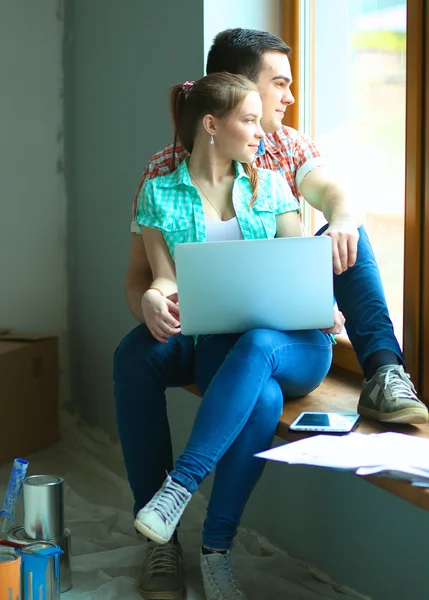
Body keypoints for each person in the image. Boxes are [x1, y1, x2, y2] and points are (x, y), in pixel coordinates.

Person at [114, 27, 428, 599]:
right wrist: (154, 300)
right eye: (276, 85)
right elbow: (149, 275)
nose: (283, 101)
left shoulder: (278, 170)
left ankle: (381, 369)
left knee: (273, 327)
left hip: (285, 340)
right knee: (154, 360)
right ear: (229, 97)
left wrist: (322, 275)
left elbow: (323, 213)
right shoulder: (164, 176)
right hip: (213, 338)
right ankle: (191, 546)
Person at [133, 72, 335, 600]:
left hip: (298, 345)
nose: (259, 132)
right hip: (227, 349)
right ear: (210, 125)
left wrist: (323, 302)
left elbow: (298, 266)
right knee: (261, 394)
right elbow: (163, 275)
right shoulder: (158, 193)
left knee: (262, 343)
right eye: (248, 119)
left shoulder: (271, 185)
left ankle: (179, 485)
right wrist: (155, 295)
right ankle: (216, 551)